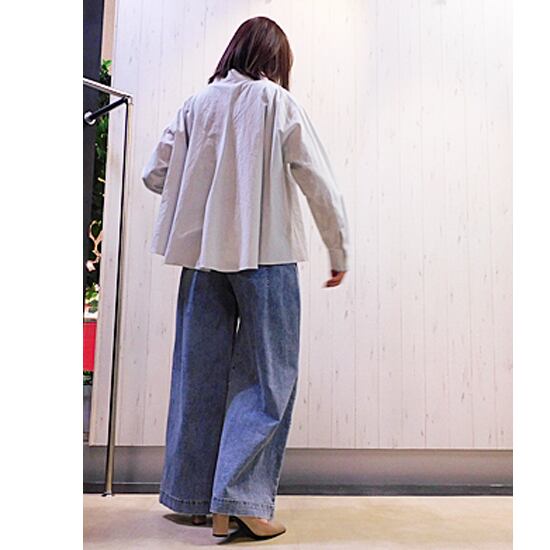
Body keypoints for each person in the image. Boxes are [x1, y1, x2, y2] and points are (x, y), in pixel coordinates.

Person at [141, 15, 350, 541]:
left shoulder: (196, 104)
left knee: (198, 375)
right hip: (267, 255)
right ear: (276, 60)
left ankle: (193, 498)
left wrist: (203, 192)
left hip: (203, 257)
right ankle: (240, 502)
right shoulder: (277, 102)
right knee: (266, 377)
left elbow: (154, 173)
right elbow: (318, 180)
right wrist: (338, 247)